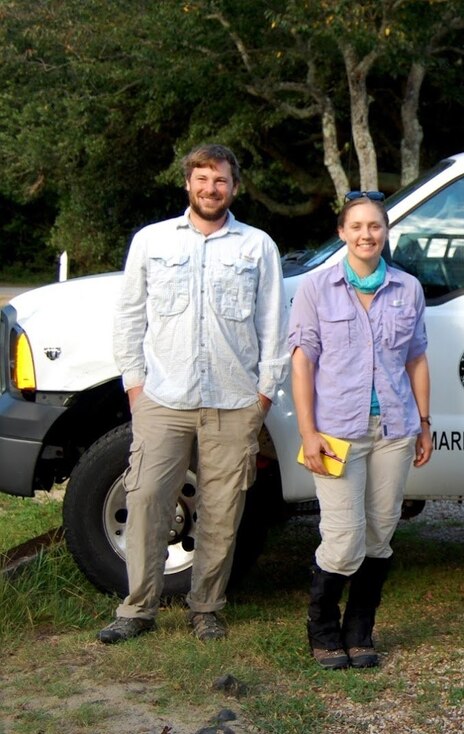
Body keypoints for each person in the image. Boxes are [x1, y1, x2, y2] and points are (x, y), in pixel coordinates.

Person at [101, 143, 289, 644]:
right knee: (144, 500)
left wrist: (262, 399)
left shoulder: (257, 247)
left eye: (221, 180)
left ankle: (206, 606)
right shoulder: (152, 241)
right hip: (162, 399)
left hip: (234, 404)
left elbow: (275, 327)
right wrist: (136, 386)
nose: (211, 188)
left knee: (222, 511)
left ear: (234, 186)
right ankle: (137, 608)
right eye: (202, 178)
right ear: (188, 183)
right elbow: (128, 318)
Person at [289, 191, 432, 670]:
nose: (366, 235)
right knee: (343, 536)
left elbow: (416, 358)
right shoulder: (314, 288)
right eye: (357, 226)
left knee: (380, 532)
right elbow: (302, 361)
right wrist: (307, 432)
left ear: (385, 232)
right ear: (341, 233)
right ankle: (322, 628)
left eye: (375, 226)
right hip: (334, 432)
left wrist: (424, 423)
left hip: (394, 428)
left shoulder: (407, 289)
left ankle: (359, 629)